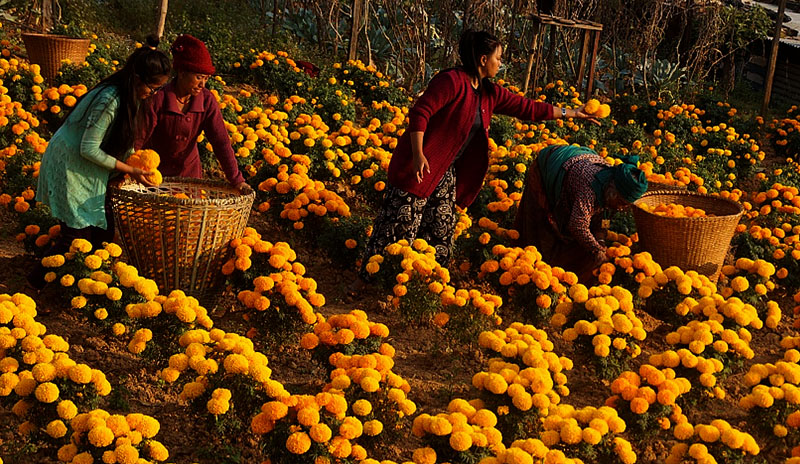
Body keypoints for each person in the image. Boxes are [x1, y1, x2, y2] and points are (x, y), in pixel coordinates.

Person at [357, 30, 598, 282]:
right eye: (498, 58)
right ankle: (367, 281)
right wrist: (418, 154)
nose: (500, 63)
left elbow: (527, 108)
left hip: (444, 172)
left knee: (440, 229)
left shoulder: (488, 93)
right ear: (483, 59)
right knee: (397, 227)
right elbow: (420, 113)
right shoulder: (451, 81)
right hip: (420, 168)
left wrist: (572, 112)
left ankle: (423, 283)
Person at [29, 36, 172, 289]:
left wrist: (137, 163)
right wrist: (129, 169)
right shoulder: (110, 99)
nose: (154, 94)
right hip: (70, 164)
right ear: (138, 79)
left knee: (102, 235)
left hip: (85, 167)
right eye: (154, 88)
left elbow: (123, 141)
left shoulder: (129, 95)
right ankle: (37, 281)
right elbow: (88, 148)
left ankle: (76, 283)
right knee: (76, 237)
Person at [512, 144, 649, 282]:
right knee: (541, 229)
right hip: (550, 164)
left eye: (625, 205)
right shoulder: (589, 189)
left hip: (577, 163)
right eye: (621, 202)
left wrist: (600, 240)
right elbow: (577, 225)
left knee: (584, 241)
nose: (621, 208)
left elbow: (604, 219)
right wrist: (597, 250)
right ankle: (529, 269)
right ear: (612, 188)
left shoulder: (610, 190)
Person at [135, 34, 246, 191]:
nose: (202, 84)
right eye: (199, 77)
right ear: (181, 73)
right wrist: (129, 172)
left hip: (190, 179)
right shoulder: (159, 99)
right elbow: (139, 138)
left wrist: (236, 179)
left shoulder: (207, 101)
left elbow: (221, 142)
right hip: (155, 178)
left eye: (206, 79)